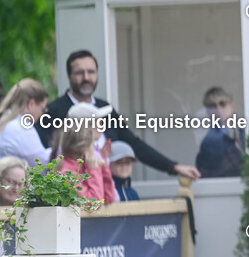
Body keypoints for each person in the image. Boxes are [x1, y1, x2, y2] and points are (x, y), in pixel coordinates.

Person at [37, 50, 200, 180]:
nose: (86, 78)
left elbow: (132, 143)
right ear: (69, 76)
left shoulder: (105, 108)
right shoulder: (53, 112)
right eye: (80, 73)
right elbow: (45, 157)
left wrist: (173, 167)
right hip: (77, 196)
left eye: (91, 72)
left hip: (112, 191)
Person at [54, 106, 116, 205]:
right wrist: (94, 170)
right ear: (85, 148)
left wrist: (103, 167)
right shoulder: (67, 173)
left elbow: (109, 198)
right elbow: (94, 203)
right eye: (92, 144)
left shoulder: (85, 164)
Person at [0, 78, 51, 166]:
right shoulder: (20, 127)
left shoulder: (7, 120)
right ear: (31, 104)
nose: (42, 114)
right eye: (42, 109)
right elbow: (43, 164)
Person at [196, 87, 245, 178]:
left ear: (232, 106)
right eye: (212, 105)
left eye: (222, 104)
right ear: (207, 110)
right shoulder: (208, 140)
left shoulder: (245, 129)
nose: (218, 108)